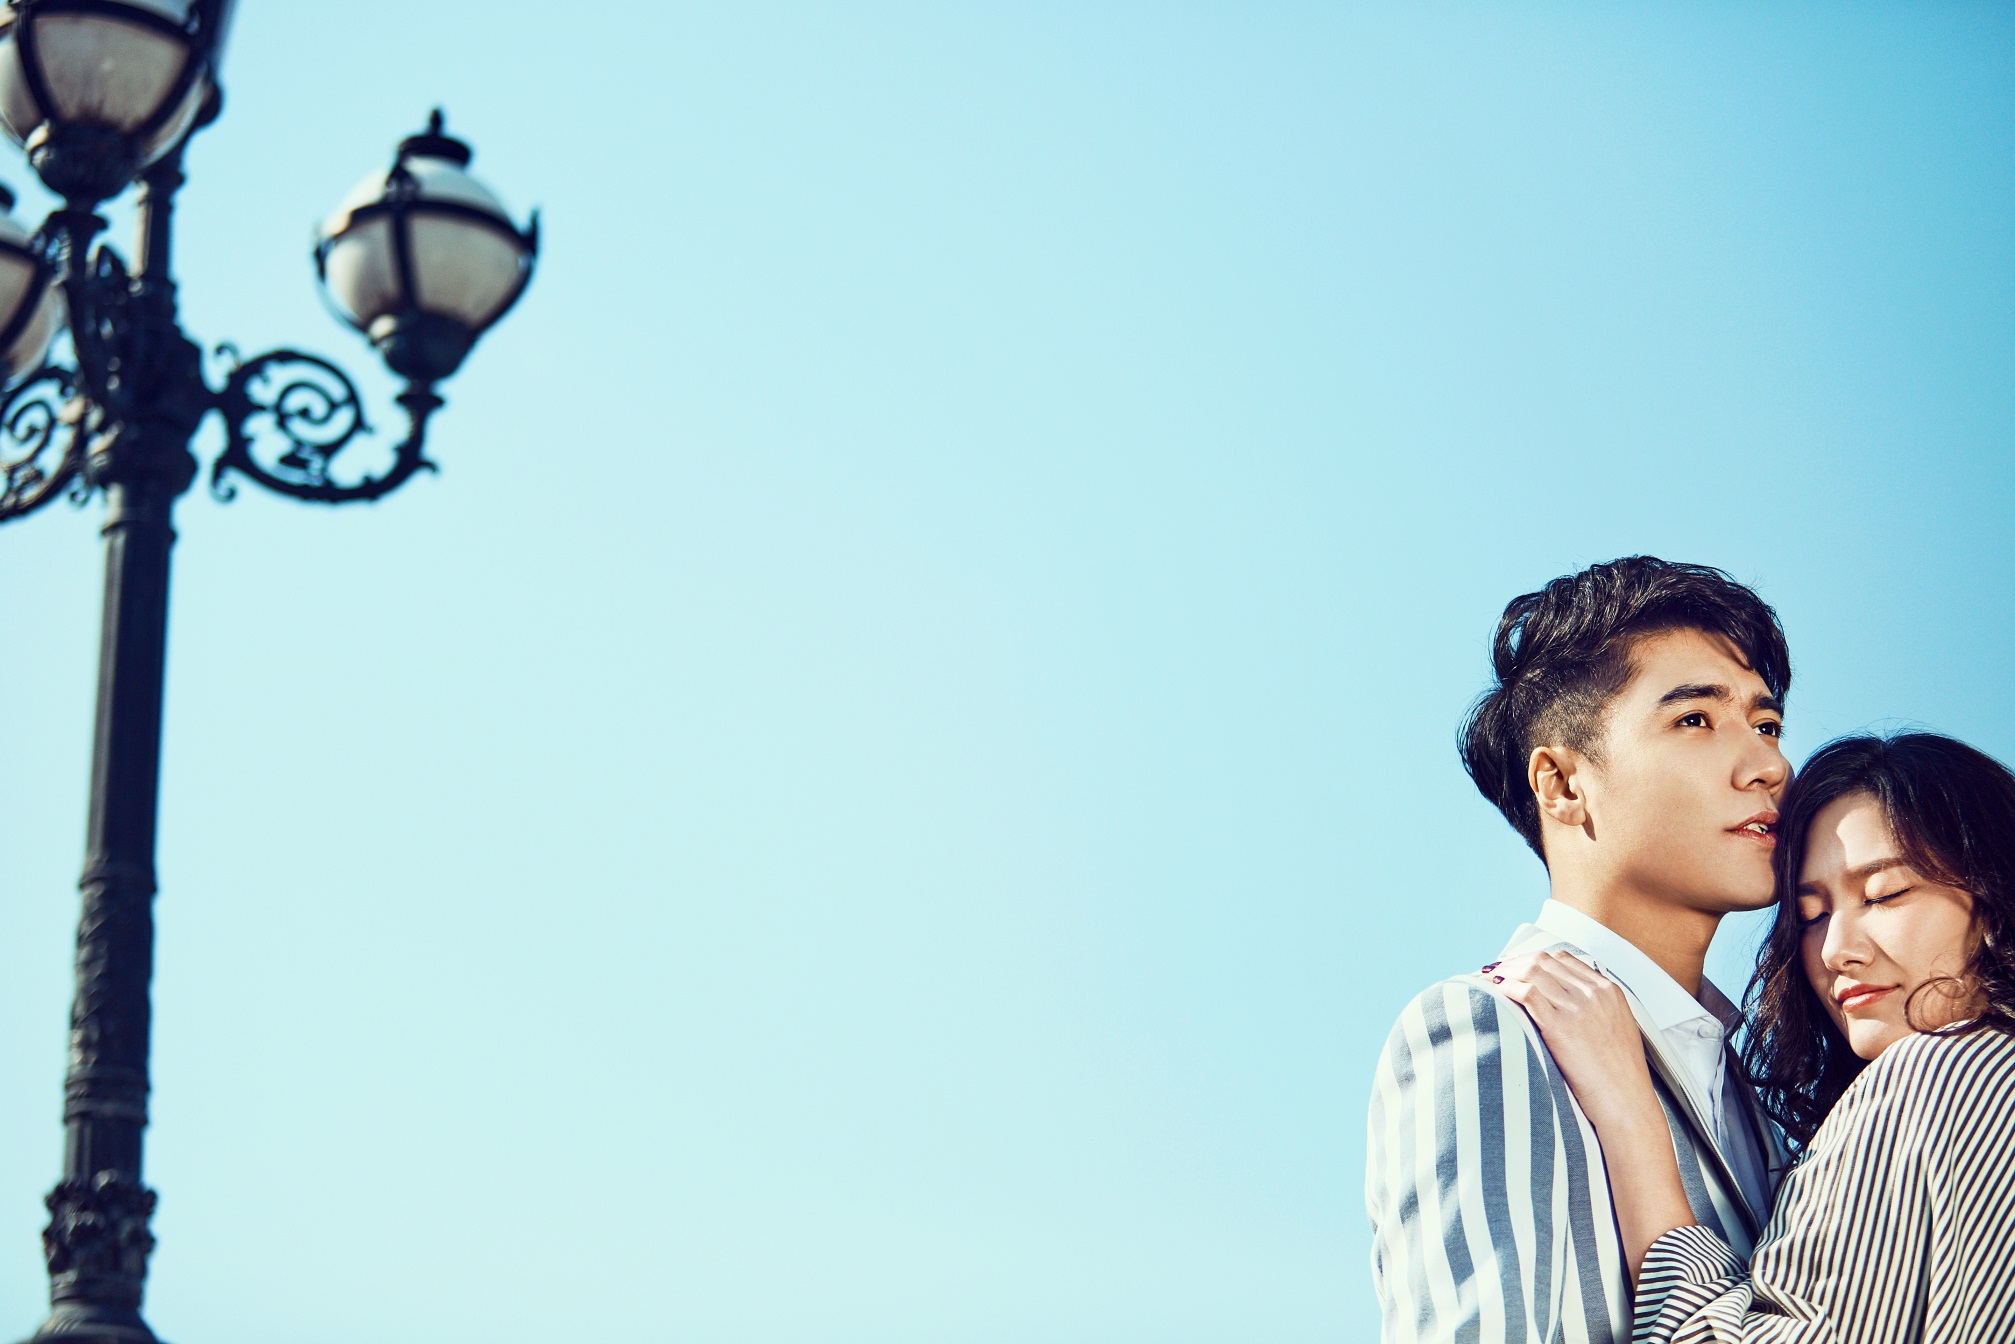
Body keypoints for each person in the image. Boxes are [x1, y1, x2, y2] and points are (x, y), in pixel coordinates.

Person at [1367, 556, 1793, 1344]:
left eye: (1765, 725)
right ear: (1562, 785)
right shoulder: (1490, 1028)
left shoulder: (1760, 1100)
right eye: (1694, 720)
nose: (1769, 766)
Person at [1498, 732, 2015, 1342]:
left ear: (1995, 894)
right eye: (1812, 915)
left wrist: (1632, 1117)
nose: (1835, 950)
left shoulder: (1938, 1073)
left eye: (1884, 894)